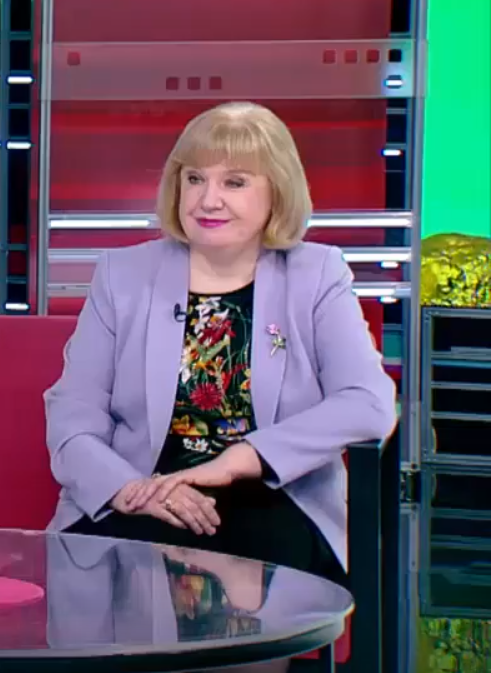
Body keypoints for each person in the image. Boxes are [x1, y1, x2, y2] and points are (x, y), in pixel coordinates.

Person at [44, 101, 397, 593]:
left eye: (234, 182)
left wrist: (237, 461)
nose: (208, 200)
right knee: (128, 571)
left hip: (271, 493)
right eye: (195, 179)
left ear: (277, 191)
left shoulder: (316, 274)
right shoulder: (122, 276)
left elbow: (368, 402)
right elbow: (72, 414)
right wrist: (127, 488)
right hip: (145, 491)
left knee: (251, 576)